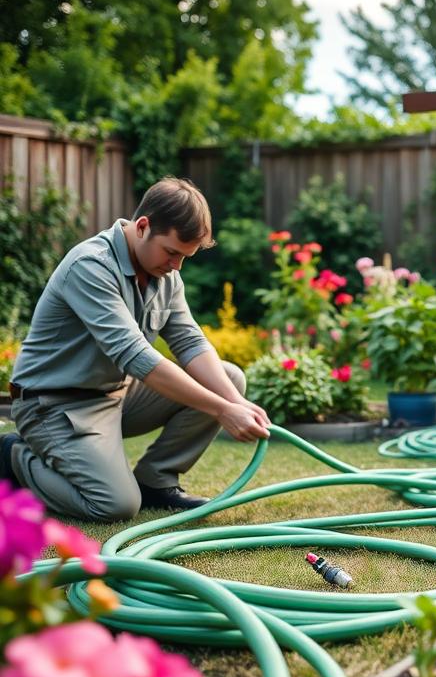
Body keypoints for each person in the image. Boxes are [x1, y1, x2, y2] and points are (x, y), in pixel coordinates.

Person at [0, 177, 270, 521]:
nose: (177, 266)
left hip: (115, 394)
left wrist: (236, 403)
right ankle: (14, 456)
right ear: (142, 226)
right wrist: (222, 409)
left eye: (185, 257)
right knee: (114, 505)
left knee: (230, 380)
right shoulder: (91, 265)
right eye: (172, 252)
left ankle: (156, 481)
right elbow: (137, 357)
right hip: (53, 404)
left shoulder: (166, 275)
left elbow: (189, 342)